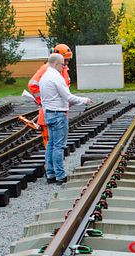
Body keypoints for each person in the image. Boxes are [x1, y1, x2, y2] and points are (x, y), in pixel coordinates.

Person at [39, 53, 91, 184]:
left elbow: (50, 99)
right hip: (58, 115)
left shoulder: (44, 77)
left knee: (50, 145)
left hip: (49, 114)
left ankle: (50, 174)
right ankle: (60, 176)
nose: (64, 66)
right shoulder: (56, 77)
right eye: (63, 64)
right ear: (56, 64)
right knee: (58, 146)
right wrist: (84, 100)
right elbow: (68, 97)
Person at [27, 44, 73, 148]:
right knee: (53, 146)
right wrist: (42, 100)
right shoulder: (47, 69)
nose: (66, 63)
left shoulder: (63, 69)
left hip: (59, 112)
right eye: (65, 60)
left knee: (56, 145)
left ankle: (53, 163)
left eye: (68, 60)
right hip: (51, 112)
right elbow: (33, 84)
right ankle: (50, 164)